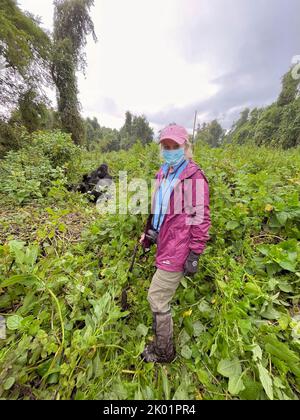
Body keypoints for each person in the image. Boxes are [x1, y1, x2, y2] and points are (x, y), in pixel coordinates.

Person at [139, 123, 211, 363]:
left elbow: (200, 218)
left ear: (186, 147)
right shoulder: (164, 171)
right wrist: (150, 231)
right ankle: (162, 341)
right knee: (159, 297)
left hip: (178, 246)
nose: (170, 150)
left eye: (175, 146)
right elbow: (158, 209)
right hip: (164, 240)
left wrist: (195, 253)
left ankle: (164, 352)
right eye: (166, 146)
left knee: (157, 298)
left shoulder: (193, 176)